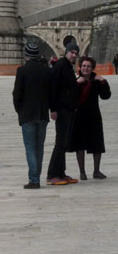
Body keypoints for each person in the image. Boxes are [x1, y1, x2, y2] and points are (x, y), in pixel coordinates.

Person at [13, 42, 51, 189]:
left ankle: (34, 180)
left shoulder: (22, 71)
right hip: (42, 114)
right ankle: (37, 176)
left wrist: (19, 110)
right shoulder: (46, 71)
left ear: (26, 55)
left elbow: (17, 94)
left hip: (27, 115)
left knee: (30, 147)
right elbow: (50, 92)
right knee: (39, 147)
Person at [69, 56, 111, 180]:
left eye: (88, 66)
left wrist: (103, 81)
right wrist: (77, 84)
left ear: (92, 68)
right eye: (83, 66)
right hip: (79, 116)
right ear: (80, 67)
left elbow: (106, 96)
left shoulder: (97, 81)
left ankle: (96, 171)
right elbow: (71, 98)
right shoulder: (75, 81)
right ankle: (82, 172)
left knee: (96, 144)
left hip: (93, 116)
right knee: (79, 145)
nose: (85, 68)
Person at [46, 42, 81, 185]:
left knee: (64, 143)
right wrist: (53, 109)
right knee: (60, 143)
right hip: (61, 110)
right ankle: (52, 175)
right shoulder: (60, 66)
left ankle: (61, 173)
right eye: (72, 52)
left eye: (76, 53)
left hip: (68, 110)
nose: (74, 55)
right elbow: (52, 89)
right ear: (66, 52)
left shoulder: (68, 67)